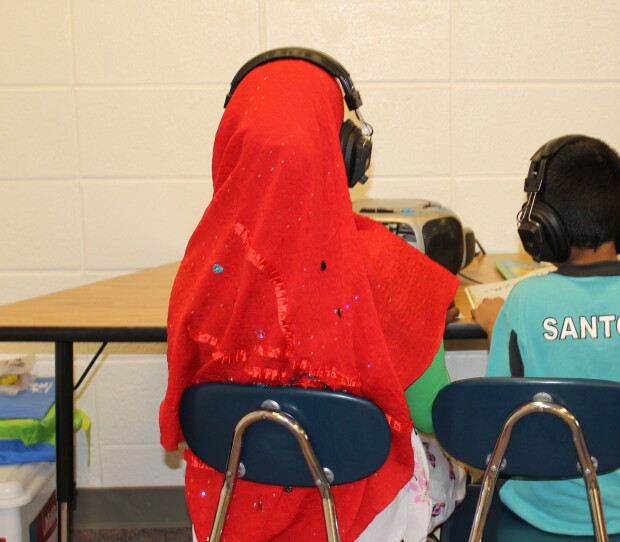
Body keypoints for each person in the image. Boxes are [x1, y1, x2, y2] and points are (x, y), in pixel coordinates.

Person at [158, 49, 464, 541]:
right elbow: (433, 411)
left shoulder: (200, 270)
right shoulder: (385, 265)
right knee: (444, 463)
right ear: (343, 152)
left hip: (230, 514)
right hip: (359, 518)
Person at [471, 135, 620, 541]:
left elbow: (500, 419)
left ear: (543, 226)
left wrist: (499, 327)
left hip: (540, 511)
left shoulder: (524, 303)